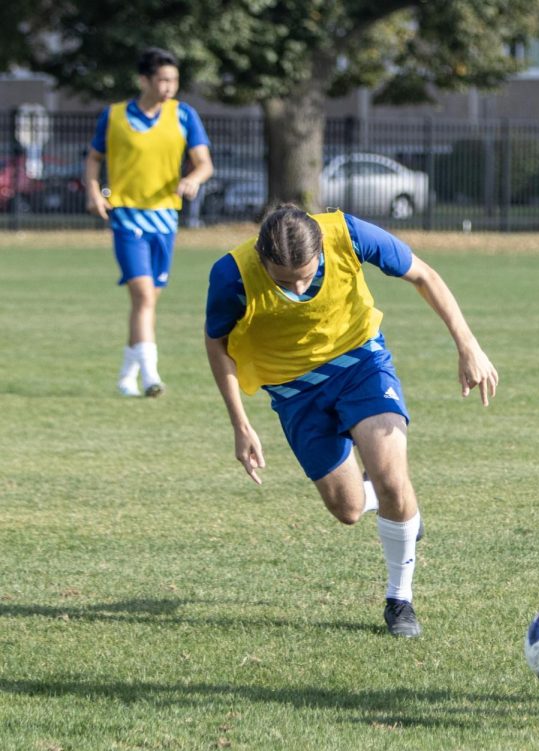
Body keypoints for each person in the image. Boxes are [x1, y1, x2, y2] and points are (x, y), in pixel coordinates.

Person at [204, 205, 498, 637]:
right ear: (262, 257)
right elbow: (218, 345)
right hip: (294, 390)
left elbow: (424, 275)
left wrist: (468, 345)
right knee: (348, 509)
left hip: (361, 363)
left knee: (391, 478)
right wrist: (240, 423)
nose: (299, 287)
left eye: (306, 274)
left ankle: (400, 600)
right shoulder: (232, 275)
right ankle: (399, 513)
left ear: (321, 248)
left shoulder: (348, 234)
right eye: (284, 281)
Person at [85, 46, 213, 398]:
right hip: (127, 217)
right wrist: (95, 192)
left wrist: (193, 179)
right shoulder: (113, 117)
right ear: (144, 79)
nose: (169, 87)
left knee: (147, 302)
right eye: (162, 79)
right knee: (143, 296)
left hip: (165, 221)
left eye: (174, 80)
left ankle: (126, 376)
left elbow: (204, 162)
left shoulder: (184, 115)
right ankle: (152, 376)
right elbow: (94, 159)